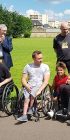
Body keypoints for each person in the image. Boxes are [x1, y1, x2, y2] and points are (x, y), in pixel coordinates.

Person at [17, 50, 50, 122]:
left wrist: (40, 90)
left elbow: (46, 81)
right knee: (26, 99)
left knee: (32, 93)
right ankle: (24, 115)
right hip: (30, 84)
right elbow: (23, 79)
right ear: (34, 59)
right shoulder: (28, 66)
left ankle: (31, 108)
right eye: (39, 58)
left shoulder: (45, 67)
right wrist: (26, 85)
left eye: (41, 58)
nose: (41, 60)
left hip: (39, 85)